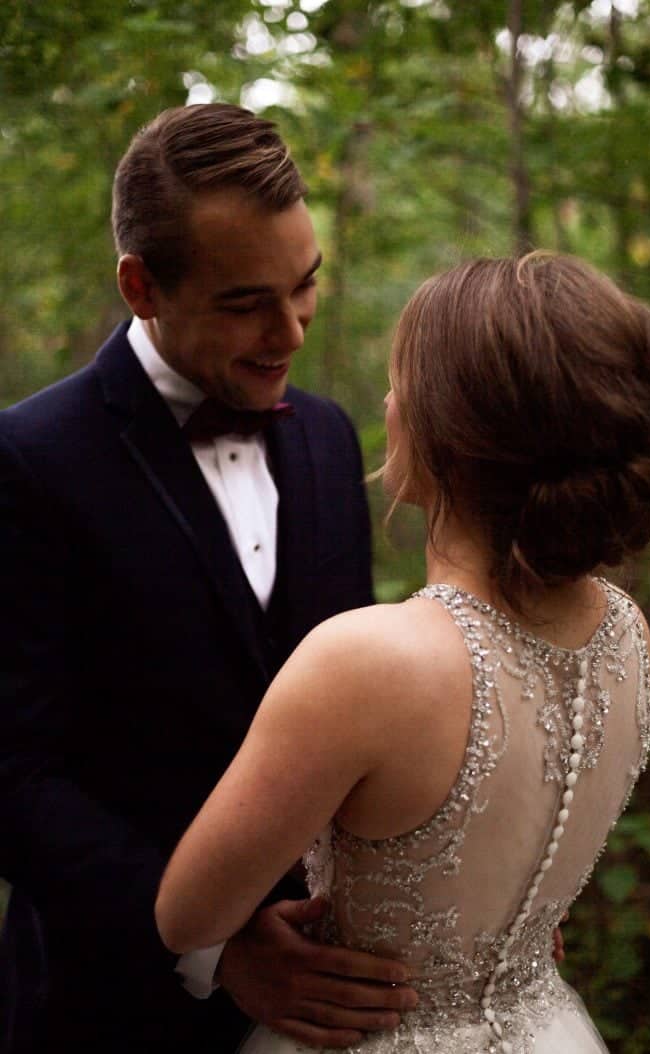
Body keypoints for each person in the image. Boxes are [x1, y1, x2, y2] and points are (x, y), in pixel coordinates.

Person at [156, 252, 650, 1054]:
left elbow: (187, 915)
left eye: (403, 382)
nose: (389, 400)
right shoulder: (626, 631)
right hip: (546, 1027)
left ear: (448, 432)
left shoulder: (369, 662)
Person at [0, 104, 417, 1053]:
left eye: (304, 286)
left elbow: (357, 724)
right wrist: (214, 946)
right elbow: (13, 776)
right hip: (104, 1007)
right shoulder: (25, 461)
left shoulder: (320, 437)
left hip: (329, 1004)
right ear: (140, 285)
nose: (291, 332)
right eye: (244, 303)